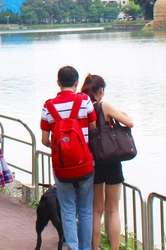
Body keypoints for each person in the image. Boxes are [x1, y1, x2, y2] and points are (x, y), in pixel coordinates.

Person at [41, 65, 96, 250]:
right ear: (76, 82)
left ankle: (72, 247)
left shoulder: (48, 106)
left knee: (67, 210)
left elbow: (44, 140)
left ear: (58, 83)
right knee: (86, 210)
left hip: (62, 167)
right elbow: (93, 127)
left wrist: (61, 147)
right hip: (85, 165)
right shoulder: (85, 101)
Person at [82, 74, 135, 250]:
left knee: (96, 210)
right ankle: (114, 248)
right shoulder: (104, 106)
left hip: (93, 161)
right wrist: (124, 113)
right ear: (101, 91)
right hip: (111, 160)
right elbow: (129, 122)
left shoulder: (84, 107)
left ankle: (94, 248)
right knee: (113, 209)